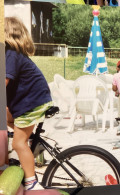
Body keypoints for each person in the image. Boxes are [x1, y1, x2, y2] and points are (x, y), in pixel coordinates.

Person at [5, 17, 53, 190]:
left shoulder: (10, 54)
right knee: (5, 117)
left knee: (17, 143)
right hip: (30, 101)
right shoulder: (11, 54)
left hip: (32, 102)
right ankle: (30, 140)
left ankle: (32, 183)